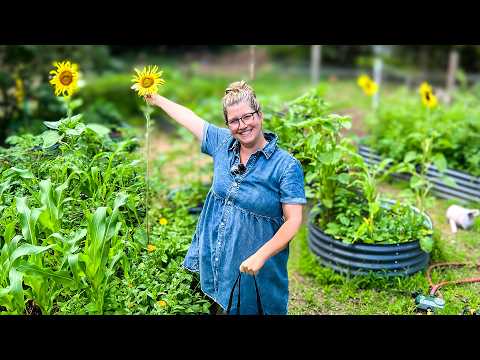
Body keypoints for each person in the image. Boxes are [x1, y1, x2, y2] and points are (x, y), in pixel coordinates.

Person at [145, 80, 306, 315]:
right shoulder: (222, 144)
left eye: (248, 116)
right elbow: (189, 118)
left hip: (255, 267)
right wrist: (156, 99)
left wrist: (260, 256)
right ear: (227, 124)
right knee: (212, 301)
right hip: (216, 251)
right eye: (234, 121)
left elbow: (293, 220)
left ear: (259, 115)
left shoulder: (286, 166)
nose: (242, 125)